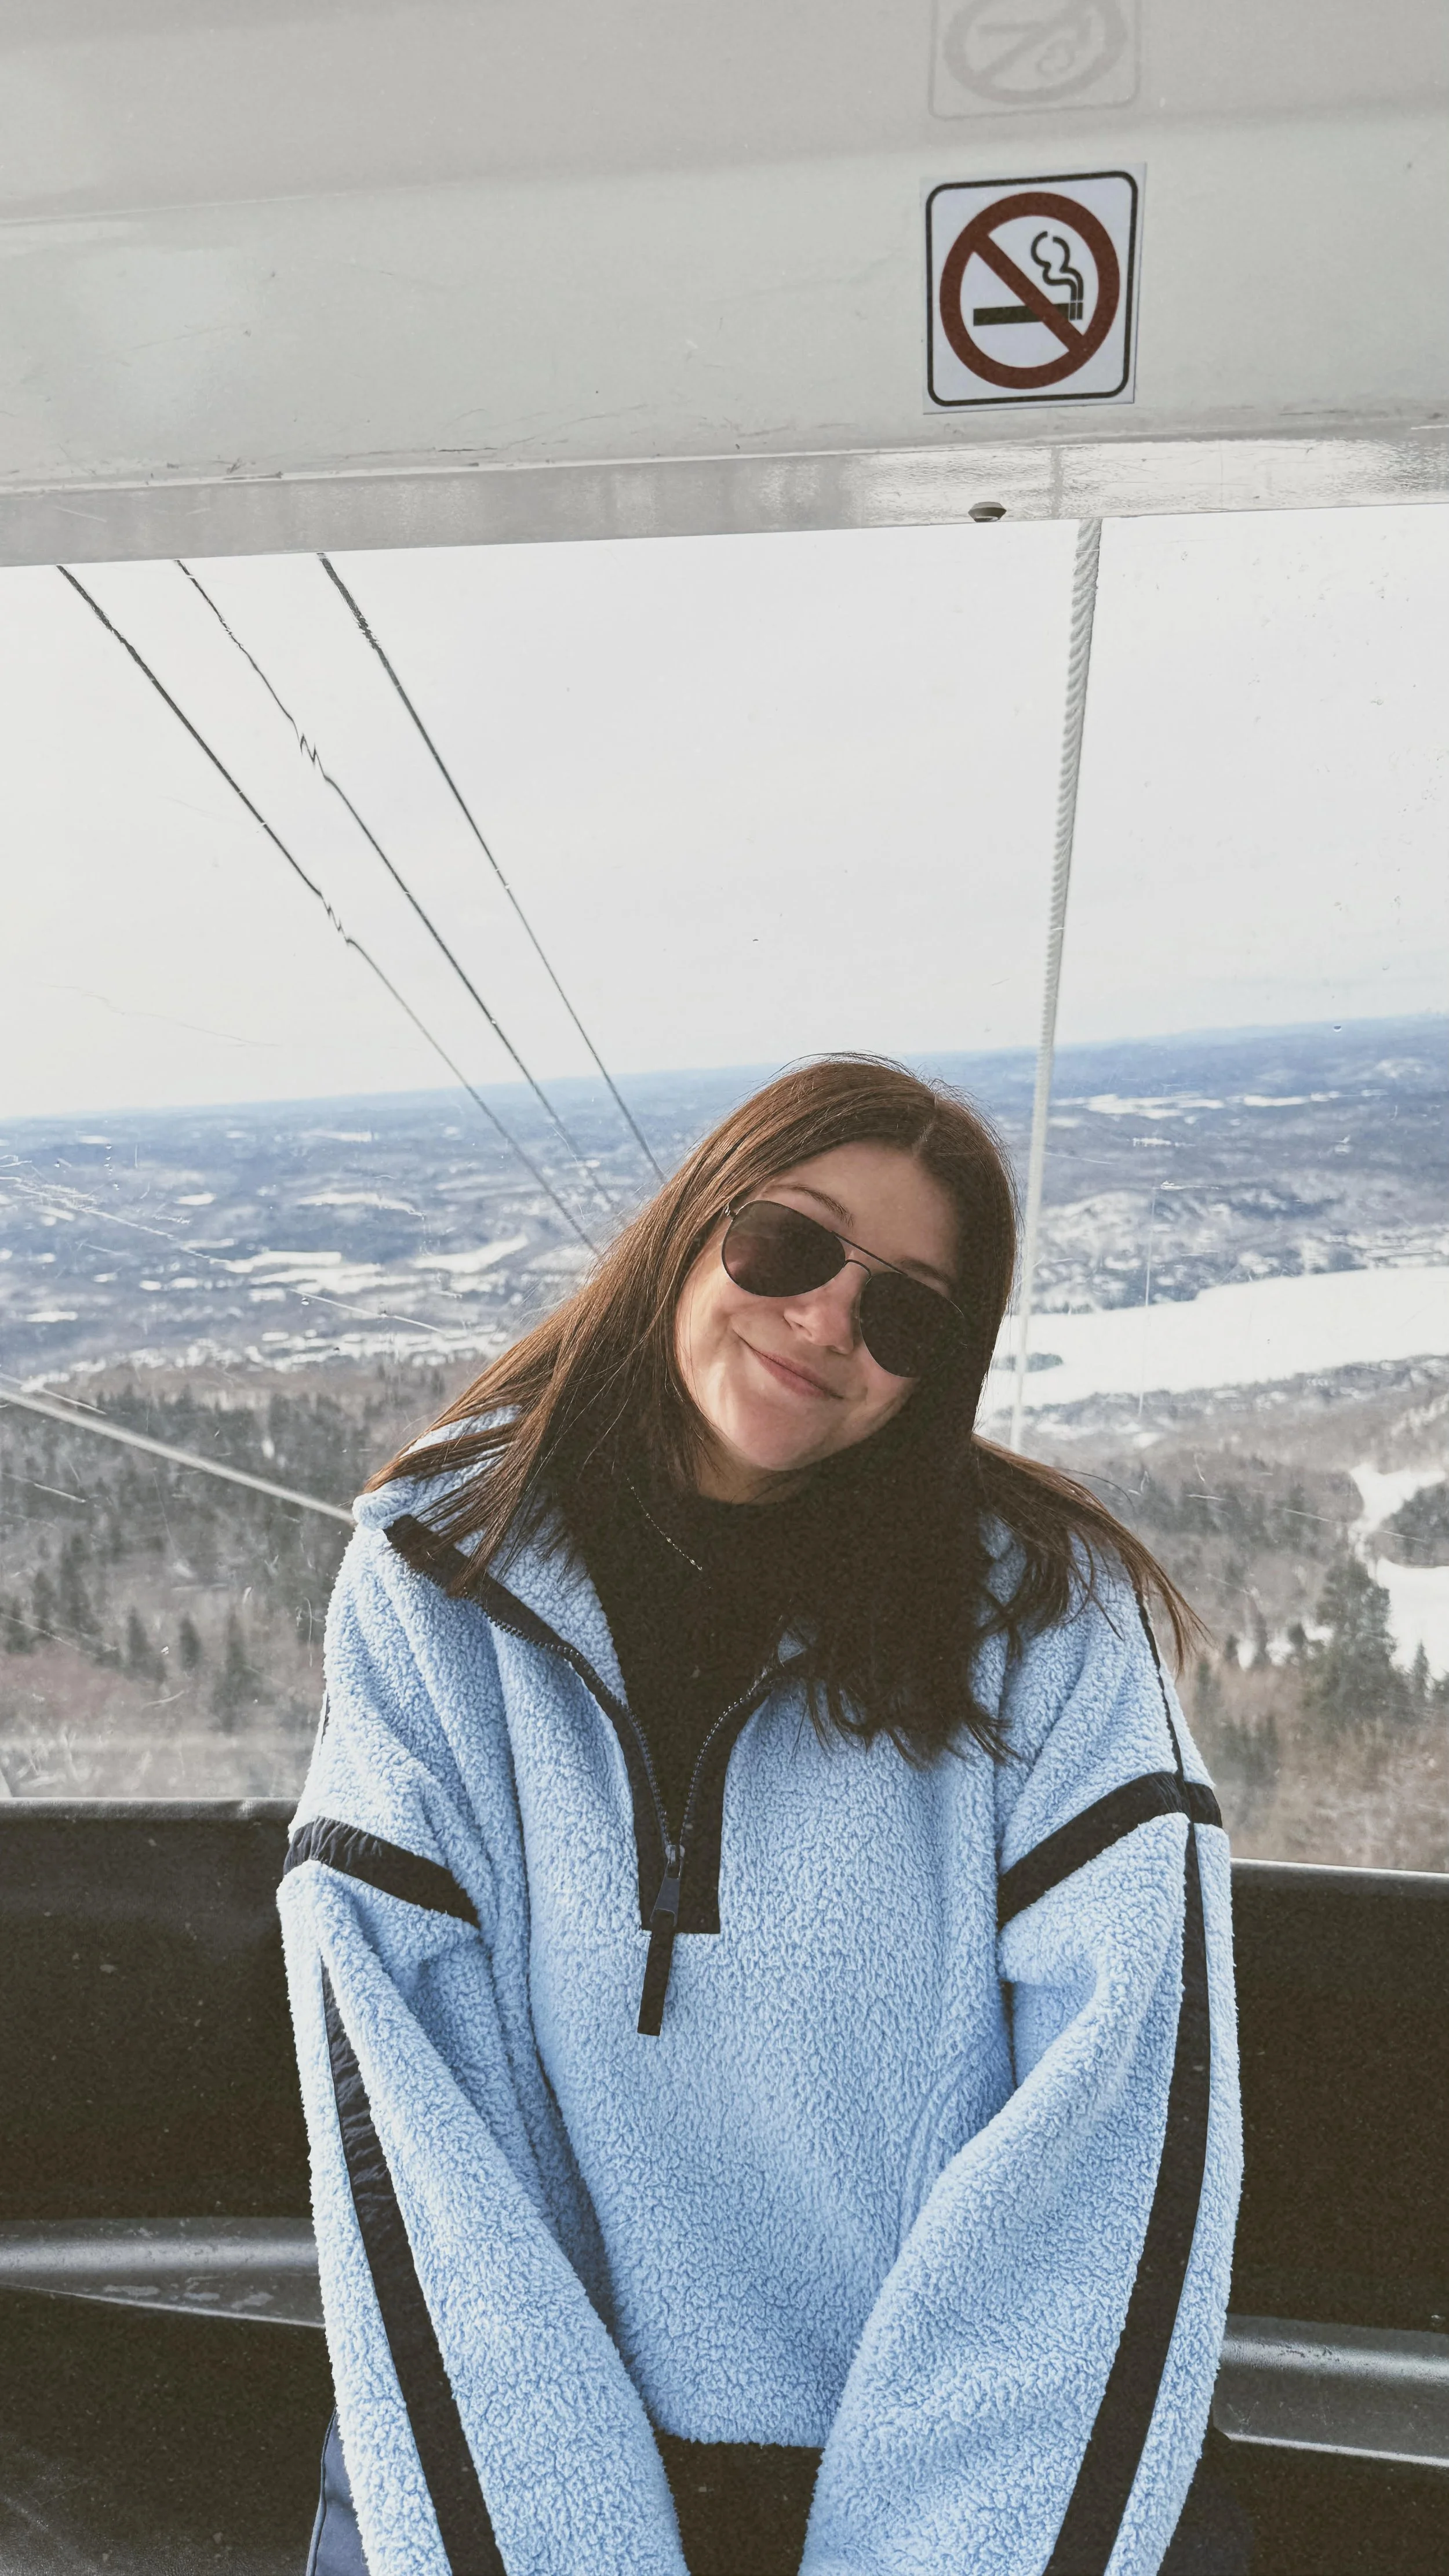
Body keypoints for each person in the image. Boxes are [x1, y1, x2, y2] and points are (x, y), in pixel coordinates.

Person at [279, 1057, 1247, 2576]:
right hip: (523, 2447)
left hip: (960, 2467)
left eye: (905, 1313)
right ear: (690, 1228)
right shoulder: (437, 1582)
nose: (823, 1322)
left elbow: (1112, 2124)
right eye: (789, 1247)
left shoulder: (1044, 1615)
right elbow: (411, 2117)